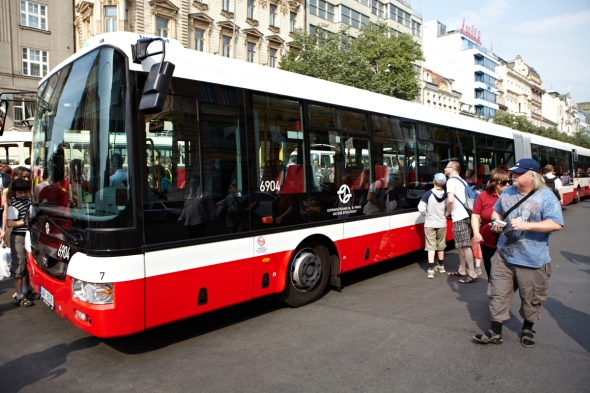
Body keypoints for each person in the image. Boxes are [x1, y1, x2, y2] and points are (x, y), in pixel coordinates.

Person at [474, 158, 563, 348]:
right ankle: (495, 332)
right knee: (498, 294)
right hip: (504, 256)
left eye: (518, 173)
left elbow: (556, 224)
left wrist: (526, 225)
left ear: (532, 175)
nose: (513, 176)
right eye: (513, 172)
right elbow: (497, 212)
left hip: (532, 260)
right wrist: (496, 224)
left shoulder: (546, 196)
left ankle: (527, 329)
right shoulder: (507, 192)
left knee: (530, 298)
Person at [470, 169, 510, 281]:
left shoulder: (511, 196)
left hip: (506, 240)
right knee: (490, 270)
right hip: (487, 240)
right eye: (504, 182)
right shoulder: (483, 196)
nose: (507, 184)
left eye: (509, 181)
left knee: (505, 272)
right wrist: (476, 232)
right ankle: (493, 290)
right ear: (495, 183)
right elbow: (475, 215)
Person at [444, 161, 478, 283]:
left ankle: (472, 273)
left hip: (459, 217)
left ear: (453, 169)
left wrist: (447, 212)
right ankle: (462, 269)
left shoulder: (451, 181)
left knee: (464, 246)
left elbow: (451, 200)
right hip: (467, 215)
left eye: (447, 167)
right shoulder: (462, 181)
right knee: (461, 246)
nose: (444, 169)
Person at [7, 178, 35, 307]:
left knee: (27, 263)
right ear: (15, 192)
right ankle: (19, 295)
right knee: (19, 264)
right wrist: (25, 222)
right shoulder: (13, 205)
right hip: (18, 236)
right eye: (20, 192)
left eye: (25, 192)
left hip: (28, 235)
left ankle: (26, 289)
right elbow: (10, 223)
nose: (23, 195)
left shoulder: (29, 202)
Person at [418, 173, 447, 279]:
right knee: (441, 246)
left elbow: (421, 208)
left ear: (434, 181)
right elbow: (448, 208)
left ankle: (431, 270)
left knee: (431, 247)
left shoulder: (428, 194)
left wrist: (426, 214)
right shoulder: (446, 195)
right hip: (442, 223)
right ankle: (441, 266)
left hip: (430, 223)